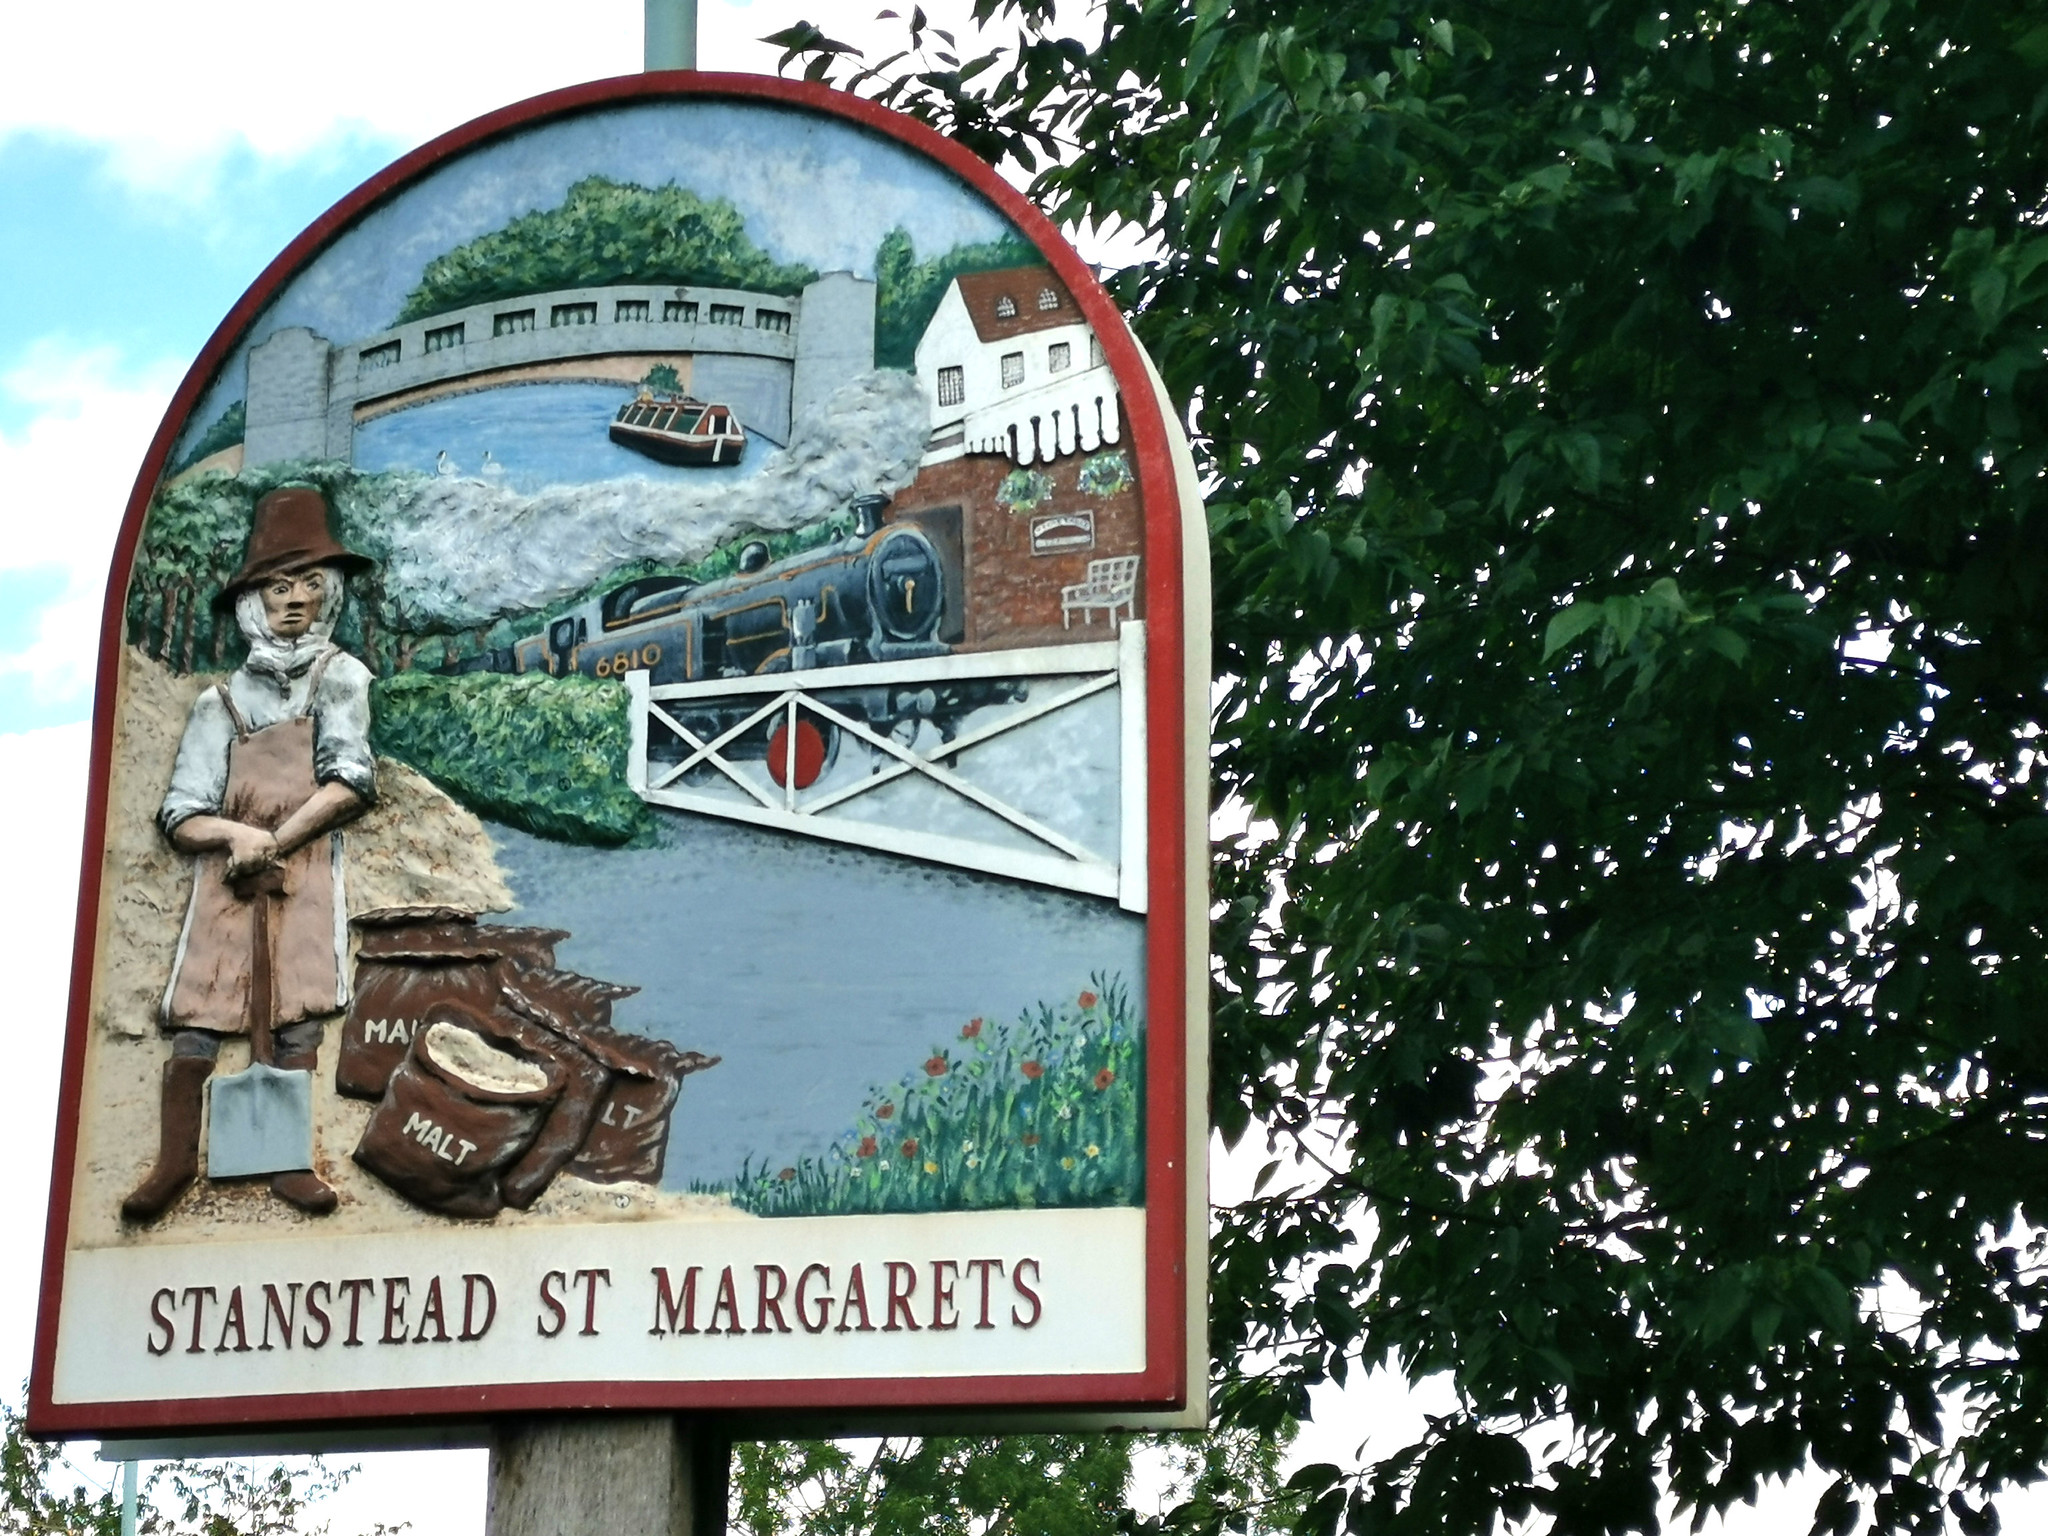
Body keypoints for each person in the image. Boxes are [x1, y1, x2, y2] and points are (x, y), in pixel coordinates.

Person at [122, 486, 377, 1222]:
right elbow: (181, 812)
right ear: (252, 600)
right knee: (201, 1016)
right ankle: (173, 1163)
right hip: (226, 885)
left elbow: (350, 780)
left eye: (306, 583)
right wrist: (236, 838)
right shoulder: (219, 704)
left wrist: (279, 839)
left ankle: (288, 1162)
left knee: (297, 1017)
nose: (292, 599)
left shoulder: (342, 679)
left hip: (300, 878)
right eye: (276, 584)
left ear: (327, 595)